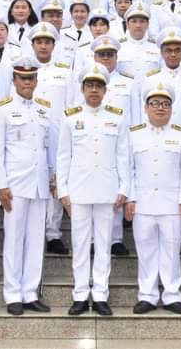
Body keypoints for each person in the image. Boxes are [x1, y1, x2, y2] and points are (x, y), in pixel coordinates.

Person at [56, 63, 130, 316]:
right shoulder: (70, 116)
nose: (94, 90)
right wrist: (63, 192)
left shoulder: (117, 116)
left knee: (103, 244)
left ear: (105, 90)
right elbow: (63, 156)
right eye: (90, 85)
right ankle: (79, 294)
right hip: (78, 190)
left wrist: (124, 187)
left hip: (107, 190)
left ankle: (100, 294)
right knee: (79, 245)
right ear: (82, 89)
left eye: (99, 86)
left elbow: (123, 155)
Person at [0, 56, 55, 316]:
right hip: (14, 185)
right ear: (14, 80)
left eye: (31, 78)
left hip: (39, 184)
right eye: (23, 78)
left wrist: (52, 178)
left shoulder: (44, 109)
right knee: (14, 240)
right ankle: (13, 293)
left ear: (36, 81)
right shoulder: (2, 109)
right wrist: (0, 185)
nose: (27, 82)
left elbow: (48, 147)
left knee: (36, 241)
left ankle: (30, 292)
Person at [125, 83, 181, 315]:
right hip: (143, 203)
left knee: (171, 251)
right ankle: (147, 295)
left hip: (171, 204)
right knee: (145, 250)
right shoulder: (134, 134)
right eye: (154, 103)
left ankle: (172, 295)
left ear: (172, 108)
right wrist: (130, 198)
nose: (160, 108)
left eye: (165, 104)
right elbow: (128, 169)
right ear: (145, 108)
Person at [140, 26, 181, 256]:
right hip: (157, 137)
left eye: (177, 50)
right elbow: (143, 110)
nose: (173, 54)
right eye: (169, 50)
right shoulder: (151, 79)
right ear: (162, 52)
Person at [22, 22, 78, 255]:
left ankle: (53, 233)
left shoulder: (65, 72)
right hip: (29, 134)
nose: (43, 46)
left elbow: (73, 105)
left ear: (54, 45)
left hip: (57, 134)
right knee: (32, 181)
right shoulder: (23, 71)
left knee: (56, 181)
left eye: (47, 42)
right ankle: (32, 230)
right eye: (39, 42)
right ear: (32, 44)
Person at [87, 34, 139, 256]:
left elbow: (136, 115)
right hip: (93, 141)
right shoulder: (87, 81)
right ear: (94, 57)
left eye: (110, 54)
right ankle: (92, 238)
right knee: (93, 189)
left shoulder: (128, 82)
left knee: (117, 186)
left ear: (117, 57)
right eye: (101, 54)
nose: (106, 58)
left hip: (121, 141)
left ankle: (116, 238)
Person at [117, 2, 161, 79]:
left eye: (142, 21)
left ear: (148, 24)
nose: (138, 25)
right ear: (127, 24)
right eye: (134, 21)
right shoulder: (118, 47)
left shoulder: (157, 47)